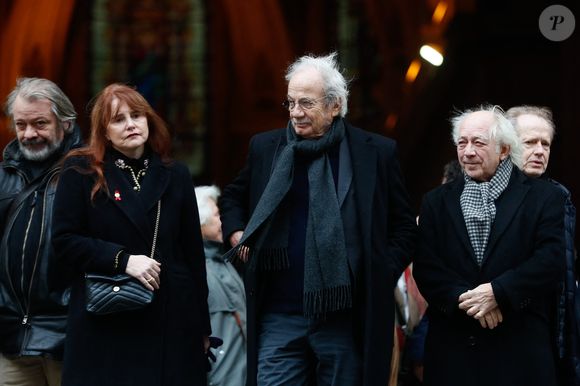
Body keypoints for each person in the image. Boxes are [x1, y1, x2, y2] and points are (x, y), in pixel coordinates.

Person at [219, 52, 417, 386]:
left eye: (307, 103)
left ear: (335, 106)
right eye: (291, 103)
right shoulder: (266, 147)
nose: (296, 113)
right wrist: (238, 233)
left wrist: (379, 271)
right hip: (280, 311)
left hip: (345, 316)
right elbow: (233, 197)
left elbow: (402, 226)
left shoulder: (376, 153)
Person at [51, 83, 211, 386]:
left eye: (136, 115)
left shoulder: (175, 174)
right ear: (104, 130)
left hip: (170, 317)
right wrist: (122, 260)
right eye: (118, 119)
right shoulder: (81, 171)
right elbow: (64, 241)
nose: (131, 124)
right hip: (107, 316)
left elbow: (193, 254)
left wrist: (202, 326)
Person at [413, 105, 566, 386]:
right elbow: (426, 267)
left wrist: (499, 293)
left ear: (504, 150)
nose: (468, 151)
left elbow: (550, 259)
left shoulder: (544, 197)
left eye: (479, 143)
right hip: (453, 352)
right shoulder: (436, 201)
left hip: (519, 351)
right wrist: (471, 302)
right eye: (462, 143)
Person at [0, 77, 81, 386]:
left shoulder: (90, 173)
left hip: (70, 336)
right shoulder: (4, 177)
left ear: (67, 123)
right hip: (11, 340)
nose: (29, 134)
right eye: (21, 125)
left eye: (40, 123)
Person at [507, 105, 578, 386]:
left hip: (547, 329)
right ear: (506, 146)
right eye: (530, 142)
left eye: (545, 143)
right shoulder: (479, 193)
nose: (539, 151)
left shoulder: (559, 197)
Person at [195, 185, 247, 386]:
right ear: (199, 224)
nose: (223, 221)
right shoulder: (196, 271)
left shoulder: (225, 261)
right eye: (217, 215)